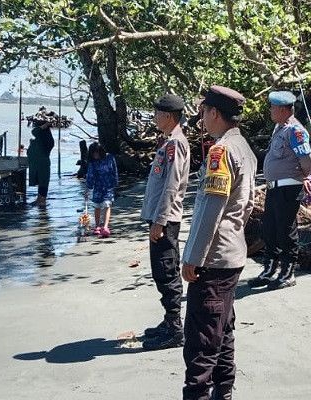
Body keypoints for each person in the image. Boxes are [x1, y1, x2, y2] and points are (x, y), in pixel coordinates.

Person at [181, 86, 256, 400]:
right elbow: (249, 204)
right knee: (222, 331)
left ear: (213, 113)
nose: (202, 120)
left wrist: (192, 257)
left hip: (213, 258)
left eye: (203, 113)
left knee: (201, 342)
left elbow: (211, 209)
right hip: (233, 253)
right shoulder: (244, 147)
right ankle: (223, 392)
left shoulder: (221, 151)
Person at [248, 91, 311, 290]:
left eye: (273, 107)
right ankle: (269, 269)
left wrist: (301, 177)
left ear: (284, 110)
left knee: (286, 230)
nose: (270, 110)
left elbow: (307, 160)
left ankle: (288, 272)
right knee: (270, 229)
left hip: (288, 187)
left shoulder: (295, 131)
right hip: (274, 187)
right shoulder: (280, 128)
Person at [140, 94, 191, 351]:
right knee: (160, 271)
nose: (155, 117)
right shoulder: (169, 142)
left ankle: (175, 327)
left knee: (167, 270)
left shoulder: (176, 144)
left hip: (166, 219)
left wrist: (159, 221)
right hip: (160, 217)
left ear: (169, 116)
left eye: (158, 113)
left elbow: (172, 186)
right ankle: (169, 319)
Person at [85, 142, 118, 238]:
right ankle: (97, 226)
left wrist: (115, 182)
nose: (95, 155)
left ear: (101, 151)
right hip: (98, 187)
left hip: (108, 186)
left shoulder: (110, 158)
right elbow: (90, 176)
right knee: (97, 206)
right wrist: (88, 189)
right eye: (93, 153)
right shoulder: (92, 163)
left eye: (96, 152)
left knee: (107, 205)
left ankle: (105, 226)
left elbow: (114, 171)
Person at [27, 120, 55, 207]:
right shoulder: (40, 138)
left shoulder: (47, 139)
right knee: (40, 182)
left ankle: (42, 200)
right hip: (38, 163)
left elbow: (34, 131)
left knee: (43, 182)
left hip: (43, 163)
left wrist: (44, 126)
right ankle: (39, 199)